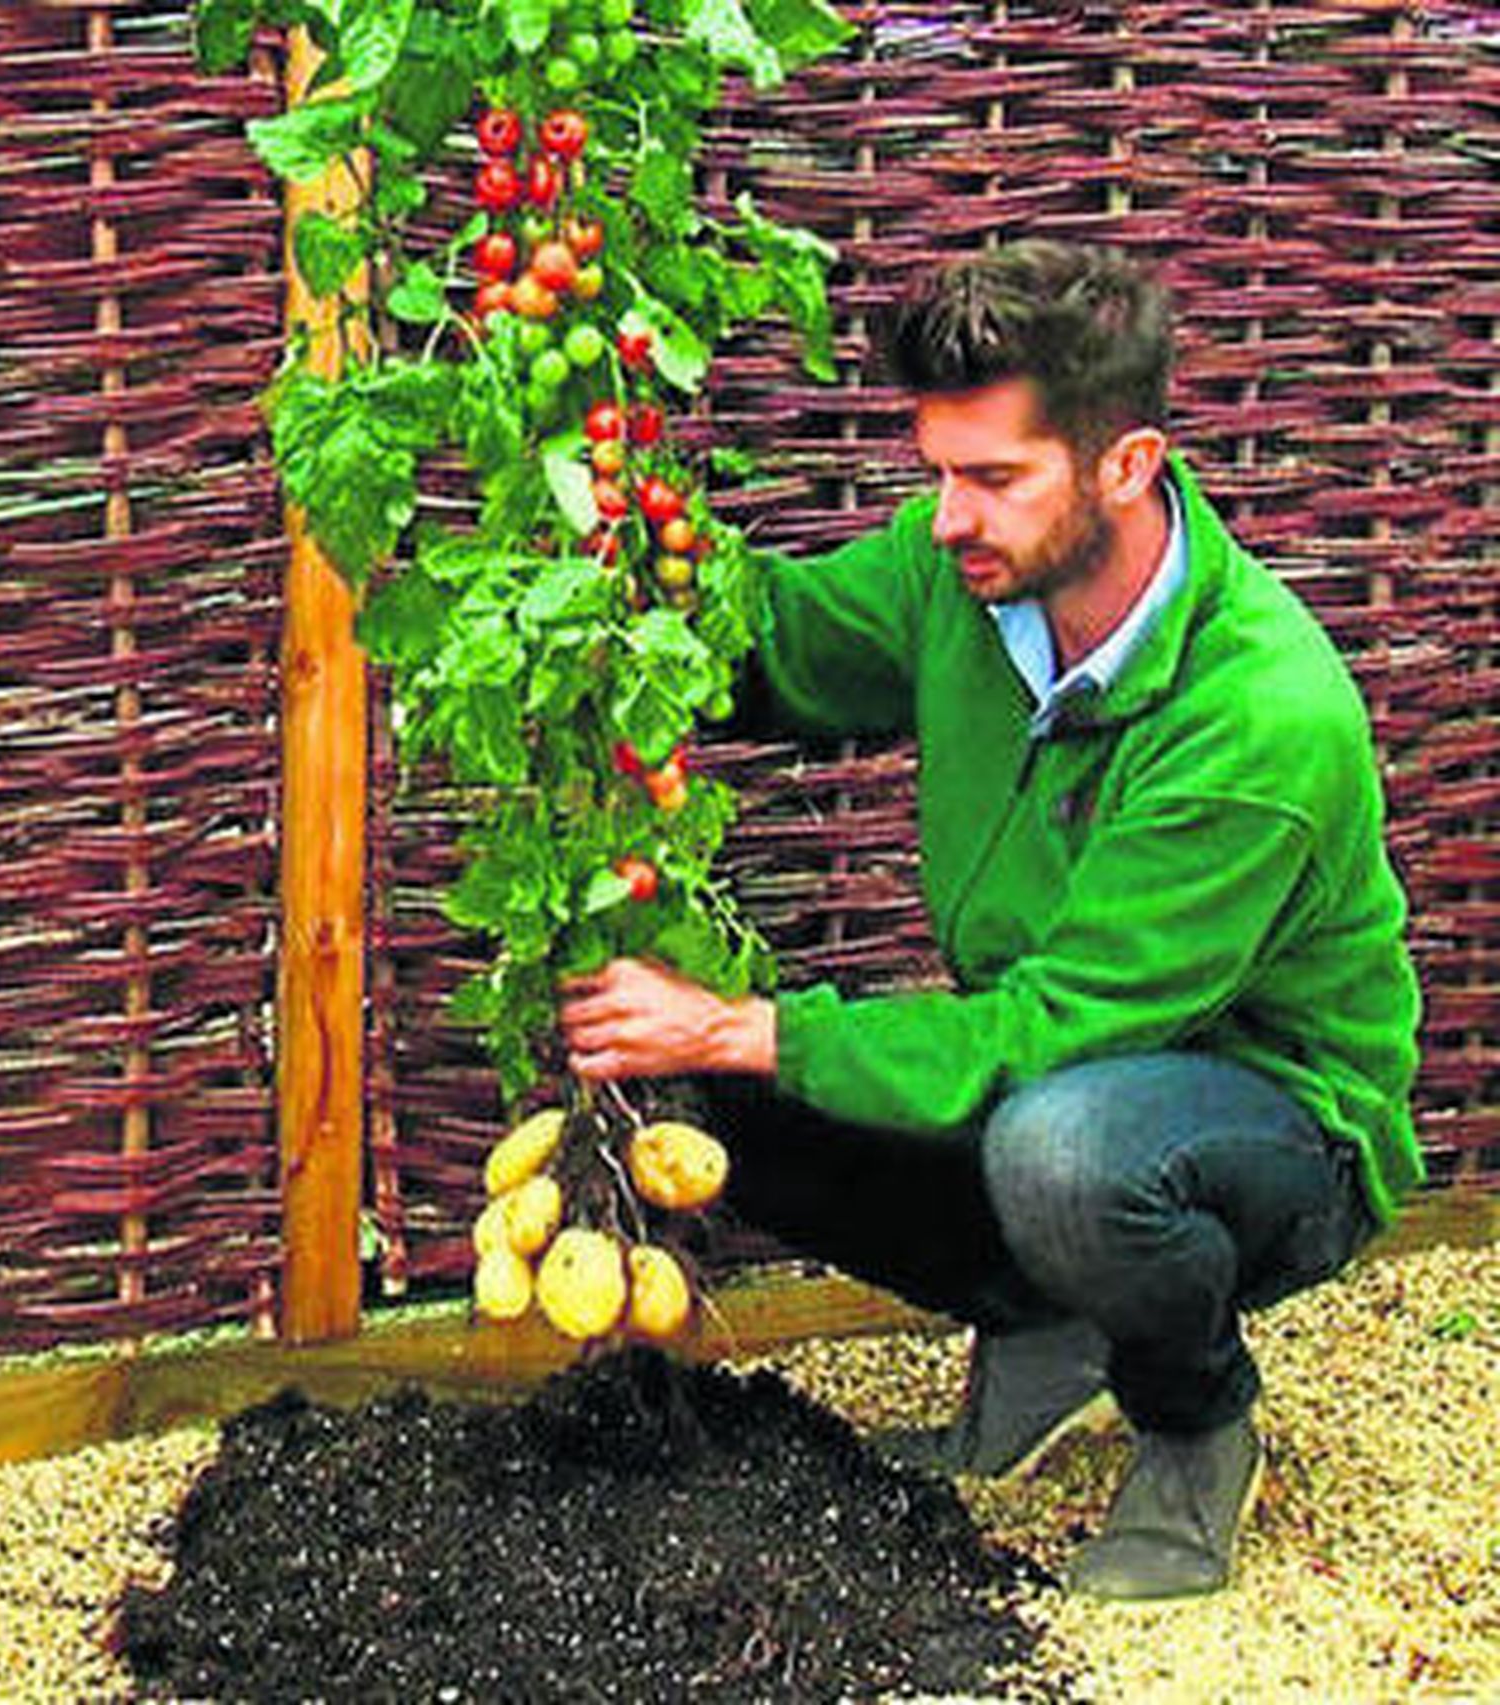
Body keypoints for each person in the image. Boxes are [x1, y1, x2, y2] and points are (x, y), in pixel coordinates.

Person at [557, 240, 1423, 1602]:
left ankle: (1195, 1425)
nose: (948, 515)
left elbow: (1054, 1032)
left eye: (993, 478)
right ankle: (1043, 1333)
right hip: (1061, 1062)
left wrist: (741, 1022)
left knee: (1060, 1149)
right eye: (936, 472)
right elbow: (769, 645)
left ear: (1125, 466)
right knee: (705, 1088)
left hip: (1272, 1121)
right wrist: (594, 544)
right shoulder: (961, 575)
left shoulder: (1261, 722)